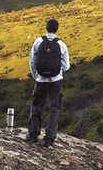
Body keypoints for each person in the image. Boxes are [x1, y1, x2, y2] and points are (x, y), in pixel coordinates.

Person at [26, 18, 70, 147]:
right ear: (57, 29)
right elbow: (66, 66)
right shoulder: (61, 44)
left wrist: (37, 75)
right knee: (53, 108)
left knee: (36, 105)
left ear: (46, 28)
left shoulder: (38, 41)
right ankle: (49, 139)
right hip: (56, 80)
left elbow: (32, 61)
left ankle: (33, 134)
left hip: (40, 80)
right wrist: (56, 68)